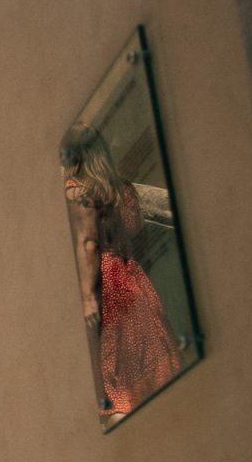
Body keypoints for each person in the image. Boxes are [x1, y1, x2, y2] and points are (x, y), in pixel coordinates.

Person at [61, 124, 181, 425]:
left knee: (116, 371)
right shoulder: (124, 190)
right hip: (135, 276)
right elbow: (138, 236)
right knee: (146, 357)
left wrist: (88, 297)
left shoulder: (78, 189)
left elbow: (87, 241)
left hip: (107, 277)